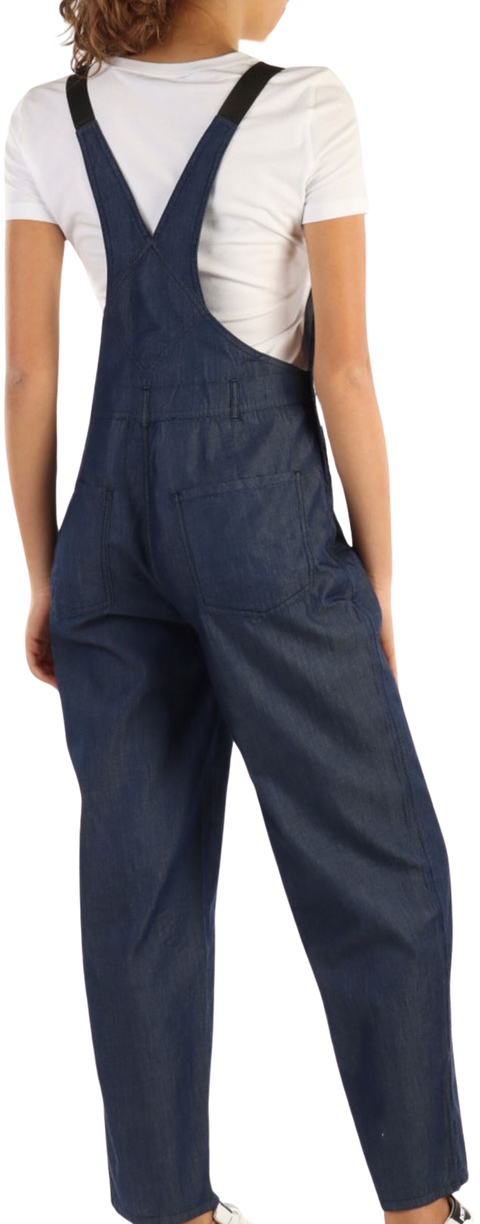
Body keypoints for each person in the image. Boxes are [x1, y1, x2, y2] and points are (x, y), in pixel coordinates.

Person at [2, 3, 473, 1224]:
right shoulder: (310, 100)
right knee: (376, 858)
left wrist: (46, 575)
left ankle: (170, 1209)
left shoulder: (48, 115)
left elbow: (29, 375)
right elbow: (345, 370)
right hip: (260, 517)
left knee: (138, 876)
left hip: (109, 531)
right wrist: (379, 585)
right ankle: (420, 1209)